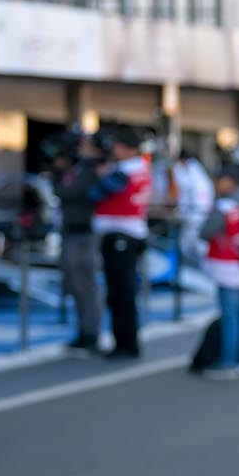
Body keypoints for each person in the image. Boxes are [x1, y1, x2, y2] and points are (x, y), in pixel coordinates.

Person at [91, 127, 152, 360]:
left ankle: (125, 343)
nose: (113, 149)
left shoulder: (124, 171)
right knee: (122, 291)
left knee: (120, 292)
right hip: (130, 234)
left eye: (117, 145)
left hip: (121, 236)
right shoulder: (141, 168)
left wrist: (99, 173)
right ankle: (126, 341)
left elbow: (96, 193)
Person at [198, 167, 239, 380]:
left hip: (227, 265)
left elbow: (205, 232)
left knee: (230, 314)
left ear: (230, 181)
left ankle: (228, 362)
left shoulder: (225, 206)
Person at [55, 132, 104, 354]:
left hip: (84, 233)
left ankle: (91, 333)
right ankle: (85, 330)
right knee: (76, 285)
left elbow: (69, 192)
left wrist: (60, 171)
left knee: (86, 285)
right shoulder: (77, 170)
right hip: (72, 231)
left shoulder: (92, 170)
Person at [169, 148, 215, 268]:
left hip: (195, 213)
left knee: (194, 244)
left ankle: (204, 269)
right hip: (198, 212)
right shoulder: (197, 171)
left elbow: (179, 189)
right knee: (188, 243)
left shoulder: (191, 170)